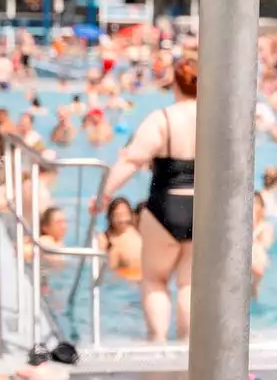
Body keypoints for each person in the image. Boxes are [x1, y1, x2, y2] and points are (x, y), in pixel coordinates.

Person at [91, 58, 198, 342]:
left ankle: (158, 342)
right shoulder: (216, 118)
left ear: (175, 82)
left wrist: (104, 195)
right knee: (189, 284)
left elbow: (131, 160)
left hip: (166, 206)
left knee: (154, 281)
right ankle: (187, 348)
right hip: (203, 210)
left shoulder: (162, 118)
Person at [97, 197, 143, 282]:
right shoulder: (105, 238)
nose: (122, 219)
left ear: (131, 215)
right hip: (122, 280)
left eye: (125, 214)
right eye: (117, 215)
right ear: (110, 217)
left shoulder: (138, 231)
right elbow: (108, 268)